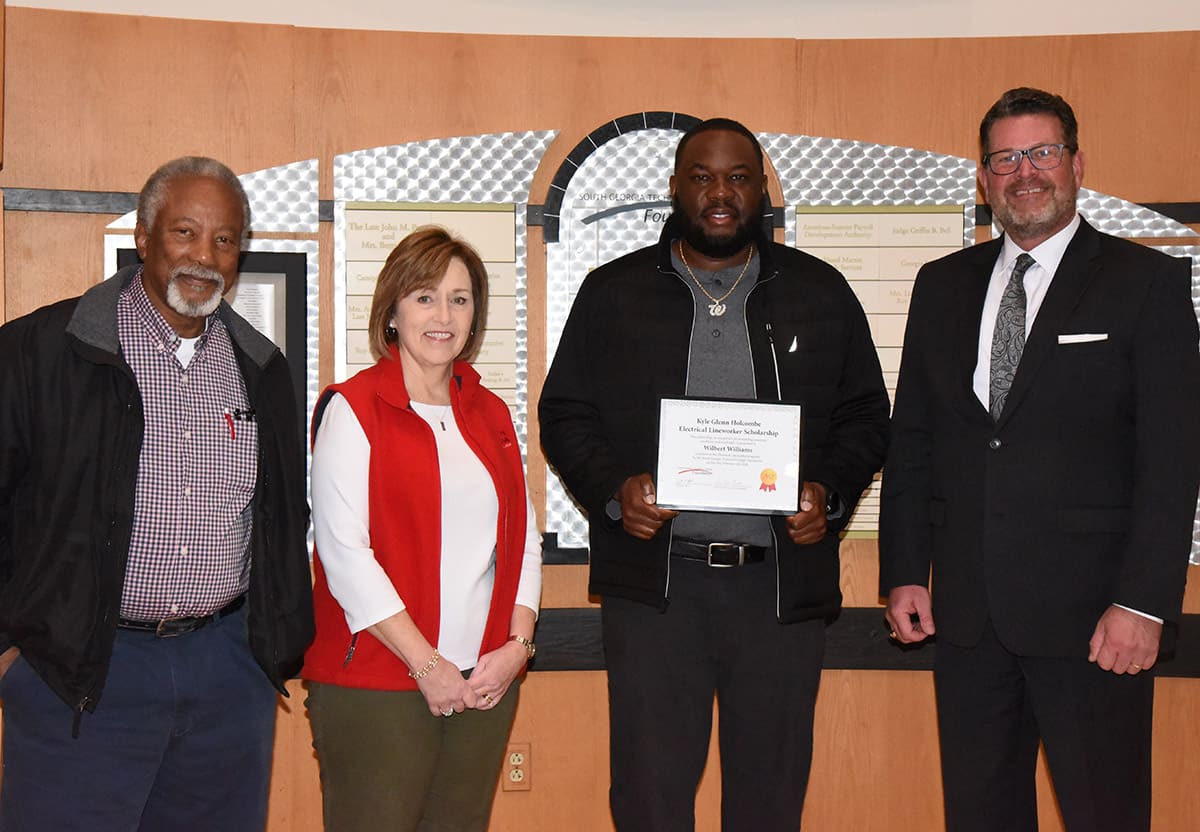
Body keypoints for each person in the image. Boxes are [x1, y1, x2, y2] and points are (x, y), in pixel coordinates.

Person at [539, 118, 889, 831]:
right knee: (650, 800)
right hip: (657, 595)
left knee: (769, 801)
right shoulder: (614, 292)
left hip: (779, 591)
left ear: (762, 190)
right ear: (675, 188)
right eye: (702, 177)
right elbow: (566, 413)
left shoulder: (820, 293)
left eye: (737, 177)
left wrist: (831, 493)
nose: (719, 193)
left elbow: (865, 418)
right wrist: (613, 493)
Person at [880, 87, 1200, 832]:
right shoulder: (941, 286)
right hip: (967, 621)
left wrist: (1143, 603)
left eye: (1042, 152)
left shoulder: (1145, 284)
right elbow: (916, 441)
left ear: (1077, 164)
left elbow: (1172, 458)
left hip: (1098, 625)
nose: (1025, 172)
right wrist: (903, 572)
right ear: (984, 178)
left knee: (1104, 815)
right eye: (1005, 158)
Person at [0, 156, 314, 830]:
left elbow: (285, 517)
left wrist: (267, 654)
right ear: (143, 239)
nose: (204, 256)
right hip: (84, 673)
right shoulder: (42, 352)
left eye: (225, 240)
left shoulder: (262, 370)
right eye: (185, 233)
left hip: (225, 674)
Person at [303, 225, 542, 832]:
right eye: (425, 296)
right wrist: (426, 666)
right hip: (380, 682)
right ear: (392, 311)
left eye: (459, 299)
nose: (443, 315)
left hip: (483, 683)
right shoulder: (352, 410)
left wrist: (517, 647)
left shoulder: (488, 412)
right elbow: (343, 552)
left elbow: (523, 537)